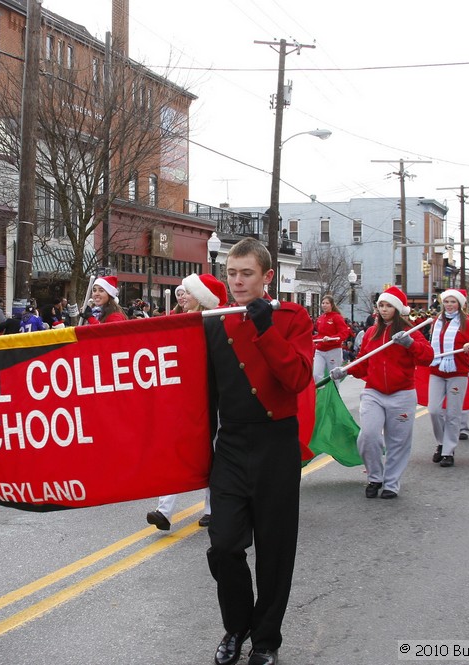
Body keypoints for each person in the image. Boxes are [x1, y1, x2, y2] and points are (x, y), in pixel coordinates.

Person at [205, 238, 313, 665]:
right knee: (223, 545)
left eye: (246, 273)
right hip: (230, 444)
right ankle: (236, 626)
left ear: (267, 277)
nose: (237, 282)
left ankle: (265, 640)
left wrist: (266, 328)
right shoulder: (215, 321)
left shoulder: (291, 318)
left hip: (276, 443)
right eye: (232, 273)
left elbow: (298, 378)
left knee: (275, 550)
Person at [331, 287, 433, 499]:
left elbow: (427, 357)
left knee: (398, 441)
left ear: (397, 308)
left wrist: (411, 344)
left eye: (389, 306)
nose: (384, 309)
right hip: (374, 393)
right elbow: (363, 364)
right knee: (368, 435)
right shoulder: (371, 333)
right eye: (381, 305)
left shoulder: (410, 331)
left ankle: (391, 483)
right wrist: (345, 370)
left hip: (402, 394)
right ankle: (375, 476)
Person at [146, 273, 227, 532]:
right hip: (183, 398)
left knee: (211, 451)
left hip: (209, 398)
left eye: (189, 293)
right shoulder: (177, 321)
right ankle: (164, 510)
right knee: (176, 449)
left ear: (202, 298)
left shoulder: (214, 323)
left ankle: (213, 508)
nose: (183, 297)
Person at [426, 288, 469, 468]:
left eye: (453, 302)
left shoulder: (466, 322)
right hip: (437, 370)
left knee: (453, 414)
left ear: (460, 304)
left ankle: (448, 451)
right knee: (434, 410)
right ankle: (441, 442)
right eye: (446, 301)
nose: (449, 305)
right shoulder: (436, 321)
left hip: (458, 372)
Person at [312, 294, 351, 382]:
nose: (324, 305)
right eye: (323, 303)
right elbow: (319, 334)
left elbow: (344, 333)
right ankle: (321, 393)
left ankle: (334, 393)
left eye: (327, 303)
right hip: (320, 350)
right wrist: (309, 338)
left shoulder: (337, 317)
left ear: (331, 305)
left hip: (333, 350)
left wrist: (331, 338)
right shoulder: (320, 318)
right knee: (316, 374)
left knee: (334, 376)